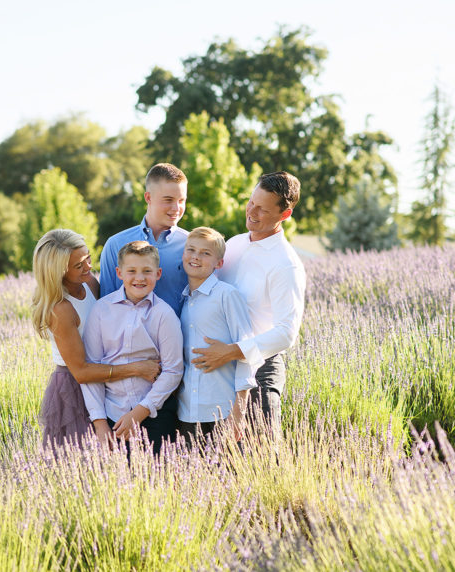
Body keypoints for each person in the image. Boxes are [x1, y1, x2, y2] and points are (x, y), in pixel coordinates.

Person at [191, 172, 306, 436]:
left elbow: (287, 333)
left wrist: (231, 351)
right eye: (251, 202)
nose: (251, 212)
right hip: (218, 367)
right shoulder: (233, 244)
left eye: (262, 209)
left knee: (259, 459)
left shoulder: (285, 264)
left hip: (259, 373)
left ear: (284, 215)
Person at [31, 229, 161, 448]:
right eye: (78, 266)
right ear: (58, 272)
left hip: (105, 377)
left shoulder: (88, 283)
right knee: (84, 461)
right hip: (75, 387)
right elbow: (81, 372)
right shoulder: (61, 309)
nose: (88, 268)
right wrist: (137, 368)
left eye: (88, 259)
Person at [82, 240, 184, 454]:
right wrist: (99, 421)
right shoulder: (101, 310)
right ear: (119, 273)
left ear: (158, 273)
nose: (139, 278)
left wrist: (139, 412)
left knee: (157, 478)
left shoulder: (164, 315)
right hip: (111, 414)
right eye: (132, 271)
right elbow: (92, 367)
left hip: (154, 414)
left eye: (147, 271)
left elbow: (173, 370)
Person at [176, 227, 262, 446]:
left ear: (219, 263)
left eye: (205, 253)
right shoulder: (184, 301)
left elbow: (247, 352)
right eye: (191, 250)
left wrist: (239, 411)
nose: (196, 257)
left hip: (222, 411)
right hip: (188, 412)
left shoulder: (226, 295)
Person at [99, 163, 188, 316]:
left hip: (176, 338)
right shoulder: (115, 244)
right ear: (148, 197)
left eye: (181, 200)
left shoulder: (191, 246)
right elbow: (106, 305)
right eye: (168, 200)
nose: (176, 208)